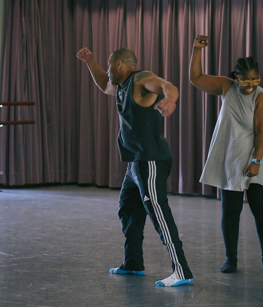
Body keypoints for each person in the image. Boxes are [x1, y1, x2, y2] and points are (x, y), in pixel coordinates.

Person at [76, 47, 193, 287]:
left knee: (159, 215)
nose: (107, 72)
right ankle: (133, 263)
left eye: (109, 67)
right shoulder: (121, 86)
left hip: (151, 160)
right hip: (136, 162)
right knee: (128, 210)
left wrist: (170, 99)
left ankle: (182, 270)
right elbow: (103, 84)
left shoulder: (140, 79)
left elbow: (165, 85)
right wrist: (91, 62)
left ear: (119, 64)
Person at [189, 35, 263, 273]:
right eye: (245, 79)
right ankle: (231, 258)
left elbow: (262, 131)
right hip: (231, 159)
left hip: (256, 158)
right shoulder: (226, 87)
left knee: (262, 211)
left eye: (255, 79)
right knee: (230, 212)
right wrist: (197, 50)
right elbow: (195, 78)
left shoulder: (262, 97)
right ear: (236, 76)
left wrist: (256, 160)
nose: (250, 84)